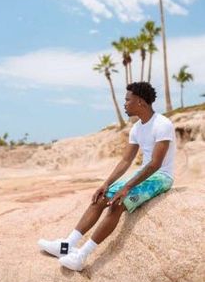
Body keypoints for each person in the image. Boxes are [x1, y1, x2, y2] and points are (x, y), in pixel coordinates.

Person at [38, 81, 175, 271]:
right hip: (144, 174)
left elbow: (155, 164)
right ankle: (67, 245)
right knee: (102, 197)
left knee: (117, 203)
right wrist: (106, 184)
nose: (124, 104)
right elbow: (125, 161)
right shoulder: (136, 129)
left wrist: (126, 187)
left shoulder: (162, 124)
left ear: (141, 102)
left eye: (128, 100)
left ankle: (81, 256)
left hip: (160, 177)